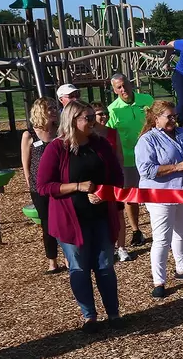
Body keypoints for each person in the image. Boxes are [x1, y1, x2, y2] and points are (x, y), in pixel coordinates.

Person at [35, 101, 124, 333]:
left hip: (101, 215)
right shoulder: (57, 149)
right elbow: (44, 186)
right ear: (73, 120)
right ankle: (90, 316)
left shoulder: (101, 145)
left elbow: (117, 177)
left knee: (105, 265)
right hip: (70, 219)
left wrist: (104, 195)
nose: (93, 121)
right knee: (79, 267)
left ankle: (114, 314)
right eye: (87, 117)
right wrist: (77, 186)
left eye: (93, 116)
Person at [135, 100, 183, 298]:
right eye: (169, 116)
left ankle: (182, 269)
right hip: (160, 194)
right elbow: (146, 170)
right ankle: (159, 281)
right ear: (156, 119)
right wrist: (175, 167)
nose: (173, 120)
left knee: (181, 232)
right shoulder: (147, 140)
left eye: (174, 116)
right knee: (162, 238)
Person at [107, 73, 153, 249]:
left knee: (152, 192)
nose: (123, 89)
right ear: (114, 90)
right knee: (131, 196)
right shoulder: (113, 109)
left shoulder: (146, 99)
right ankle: (136, 230)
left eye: (125, 85)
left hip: (150, 156)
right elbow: (109, 134)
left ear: (130, 83)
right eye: (119, 87)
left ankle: (159, 225)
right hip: (127, 159)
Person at [20, 97, 62, 273]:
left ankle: (69, 256)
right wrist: (31, 184)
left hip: (60, 184)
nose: (53, 111)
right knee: (47, 223)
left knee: (63, 220)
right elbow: (26, 164)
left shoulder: (60, 132)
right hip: (39, 188)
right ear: (39, 111)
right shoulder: (29, 134)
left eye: (54, 107)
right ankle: (52, 261)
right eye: (49, 108)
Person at [91, 101, 131, 262]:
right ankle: (103, 247)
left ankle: (121, 247)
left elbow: (119, 155)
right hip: (95, 181)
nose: (104, 116)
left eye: (106, 113)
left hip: (112, 179)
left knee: (119, 213)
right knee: (98, 216)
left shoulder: (113, 133)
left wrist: (120, 176)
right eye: (100, 113)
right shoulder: (88, 135)